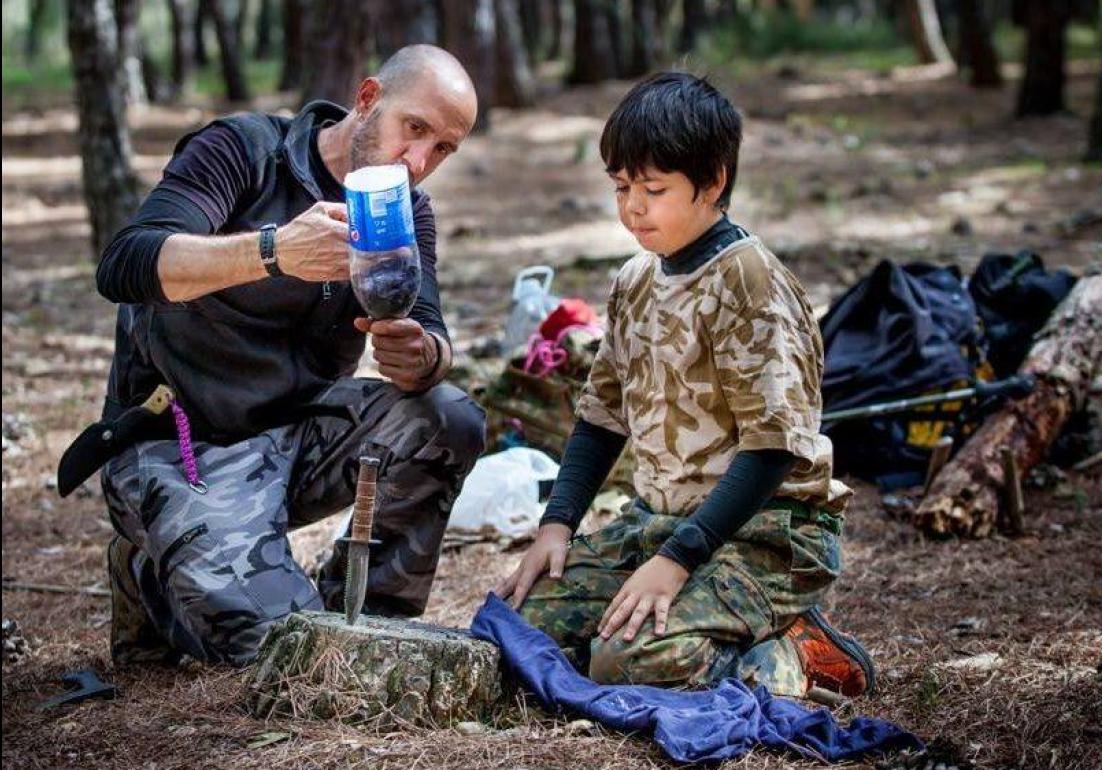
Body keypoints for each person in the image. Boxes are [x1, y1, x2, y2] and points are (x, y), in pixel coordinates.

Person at [93, 45, 486, 666]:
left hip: (302, 431)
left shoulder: (404, 211)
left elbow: (432, 337)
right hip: (182, 441)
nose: (418, 162)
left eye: (443, 148)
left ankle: (365, 617)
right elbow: (125, 264)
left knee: (449, 416)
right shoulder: (245, 151)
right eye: (414, 129)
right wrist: (273, 252)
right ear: (367, 99)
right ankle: (152, 572)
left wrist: (422, 355)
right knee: (283, 653)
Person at [495, 72, 876, 698]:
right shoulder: (635, 281)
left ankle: (794, 652)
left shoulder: (750, 285)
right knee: (522, 624)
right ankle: (703, 619)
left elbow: (774, 447)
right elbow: (601, 415)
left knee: (625, 663)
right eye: (621, 188)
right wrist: (556, 525)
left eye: (653, 189)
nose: (633, 208)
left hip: (767, 530)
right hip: (661, 520)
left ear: (714, 181)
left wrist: (675, 563)